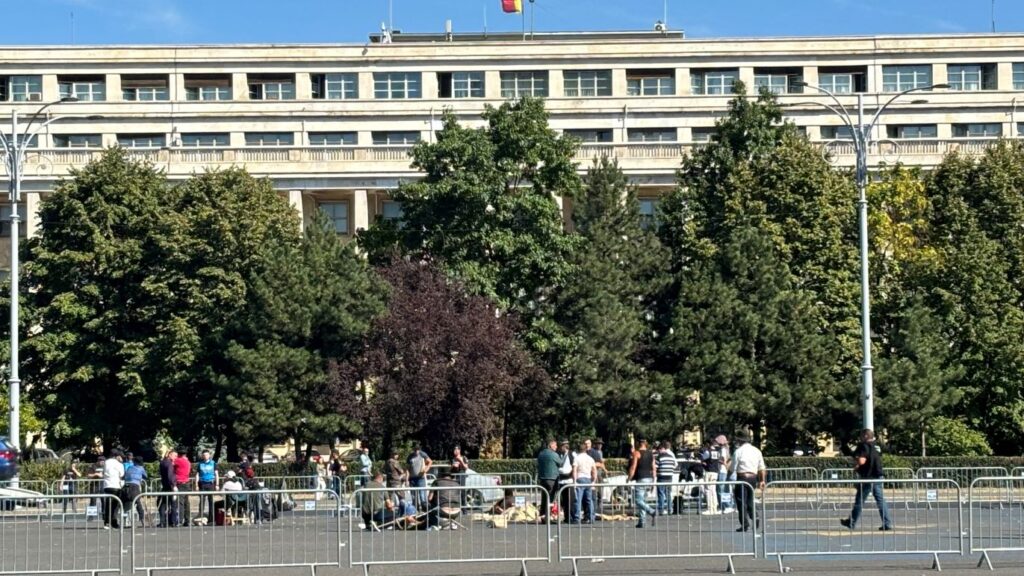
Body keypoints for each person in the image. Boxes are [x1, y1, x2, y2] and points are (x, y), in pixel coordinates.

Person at [841, 428, 893, 531]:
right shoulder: (876, 446)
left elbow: (862, 461)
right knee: (880, 500)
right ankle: (887, 523)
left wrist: (856, 462)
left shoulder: (863, 446)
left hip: (868, 477)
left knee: (859, 500)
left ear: (865, 436)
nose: (860, 438)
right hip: (878, 475)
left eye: (861, 435)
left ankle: (851, 522)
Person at [730, 433, 766, 532]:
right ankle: (755, 516)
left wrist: (729, 472)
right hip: (753, 478)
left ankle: (745, 524)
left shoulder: (738, 451)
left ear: (740, 441)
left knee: (741, 501)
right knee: (750, 500)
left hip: (742, 477)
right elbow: (762, 467)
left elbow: (733, 467)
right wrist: (762, 480)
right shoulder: (757, 451)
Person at [628, 438, 656, 528]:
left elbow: (633, 467)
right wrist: (654, 481)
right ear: (645, 443)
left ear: (638, 443)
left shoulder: (636, 453)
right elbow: (654, 468)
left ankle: (651, 511)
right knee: (643, 500)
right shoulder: (651, 454)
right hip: (649, 478)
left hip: (641, 478)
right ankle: (642, 521)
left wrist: (629, 478)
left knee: (638, 500)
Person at [535, 439, 561, 522]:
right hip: (552, 479)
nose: (556, 447)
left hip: (542, 478)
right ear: (550, 445)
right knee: (551, 498)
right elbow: (560, 463)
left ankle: (542, 514)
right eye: (555, 445)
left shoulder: (541, 454)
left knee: (544, 497)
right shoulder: (554, 454)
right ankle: (547, 516)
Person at [572, 440, 597, 524]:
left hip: (580, 478)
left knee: (578, 499)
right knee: (589, 500)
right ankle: (591, 517)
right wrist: (593, 481)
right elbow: (594, 471)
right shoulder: (590, 458)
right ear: (586, 449)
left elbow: (574, 470)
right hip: (588, 479)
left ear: (578, 450)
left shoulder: (577, 458)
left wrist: (574, 481)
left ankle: (577, 518)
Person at [101, 449, 124, 529]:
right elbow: (122, 474)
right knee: (115, 505)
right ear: (116, 456)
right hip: (116, 485)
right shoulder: (119, 464)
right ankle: (114, 522)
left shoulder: (106, 462)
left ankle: (106, 522)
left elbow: (104, 472)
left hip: (107, 485)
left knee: (108, 504)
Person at [406, 443, 433, 511]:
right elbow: (407, 469)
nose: (416, 451)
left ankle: (425, 511)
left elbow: (430, 461)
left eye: (417, 449)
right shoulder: (410, 456)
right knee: (414, 497)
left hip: (421, 478)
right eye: (415, 449)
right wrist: (407, 479)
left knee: (422, 496)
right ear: (413, 449)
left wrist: (426, 469)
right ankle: (415, 511)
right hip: (412, 479)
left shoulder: (422, 454)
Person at [195, 450, 219, 524]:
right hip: (202, 484)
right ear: (202, 456)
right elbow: (197, 475)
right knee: (202, 501)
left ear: (209, 455)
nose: (205, 456)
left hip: (210, 483)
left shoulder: (213, 463)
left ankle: (211, 519)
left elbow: (216, 474)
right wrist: (196, 485)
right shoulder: (200, 464)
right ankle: (201, 517)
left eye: (206, 455)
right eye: (204, 455)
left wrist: (217, 484)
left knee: (211, 501)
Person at [123, 455, 147, 525]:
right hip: (134, 486)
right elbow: (145, 476)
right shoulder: (141, 468)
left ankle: (125, 521)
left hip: (126, 486)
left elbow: (125, 475)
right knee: (137, 502)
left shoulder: (129, 467)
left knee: (125, 503)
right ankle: (142, 519)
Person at [655, 441, 678, 516]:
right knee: (668, 494)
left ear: (661, 449)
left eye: (658, 450)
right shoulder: (671, 457)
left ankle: (661, 510)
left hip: (661, 477)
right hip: (669, 477)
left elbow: (655, 467)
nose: (658, 452)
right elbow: (674, 466)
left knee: (661, 493)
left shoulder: (659, 457)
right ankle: (669, 509)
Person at [157, 449, 179, 527]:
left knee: (163, 504)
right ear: (170, 455)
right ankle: (173, 522)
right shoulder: (169, 464)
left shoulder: (162, 462)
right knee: (173, 504)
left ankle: (162, 522)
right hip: (170, 486)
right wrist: (174, 485)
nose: (176, 457)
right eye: (175, 456)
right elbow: (170, 476)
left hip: (165, 485)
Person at [714, 434, 735, 513]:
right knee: (725, 489)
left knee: (721, 490)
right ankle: (727, 505)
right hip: (725, 470)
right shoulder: (726, 449)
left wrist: (716, 460)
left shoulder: (722, 449)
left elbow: (722, 460)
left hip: (722, 470)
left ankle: (726, 506)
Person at [585, 439, 606, 517]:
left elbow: (600, 463)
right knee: (590, 494)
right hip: (588, 475)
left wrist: (605, 470)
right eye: (598, 444)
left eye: (601, 444)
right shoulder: (585, 452)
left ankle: (597, 509)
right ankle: (589, 511)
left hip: (596, 474)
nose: (600, 445)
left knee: (598, 491)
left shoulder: (596, 452)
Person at [557, 439, 575, 524]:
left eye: (561, 446)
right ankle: (566, 517)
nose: (560, 448)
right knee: (564, 501)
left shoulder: (572, 454)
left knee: (570, 500)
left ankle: (571, 517)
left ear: (565, 446)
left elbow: (575, 466)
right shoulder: (560, 454)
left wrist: (573, 476)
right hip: (561, 481)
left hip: (569, 480)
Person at [173, 448, 192, 526]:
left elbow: (171, 463)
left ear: (179, 454)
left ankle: (180, 520)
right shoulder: (188, 462)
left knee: (180, 502)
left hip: (180, 483)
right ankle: (187, 520)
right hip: (186, 483)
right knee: (186, 502)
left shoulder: (178, 460)